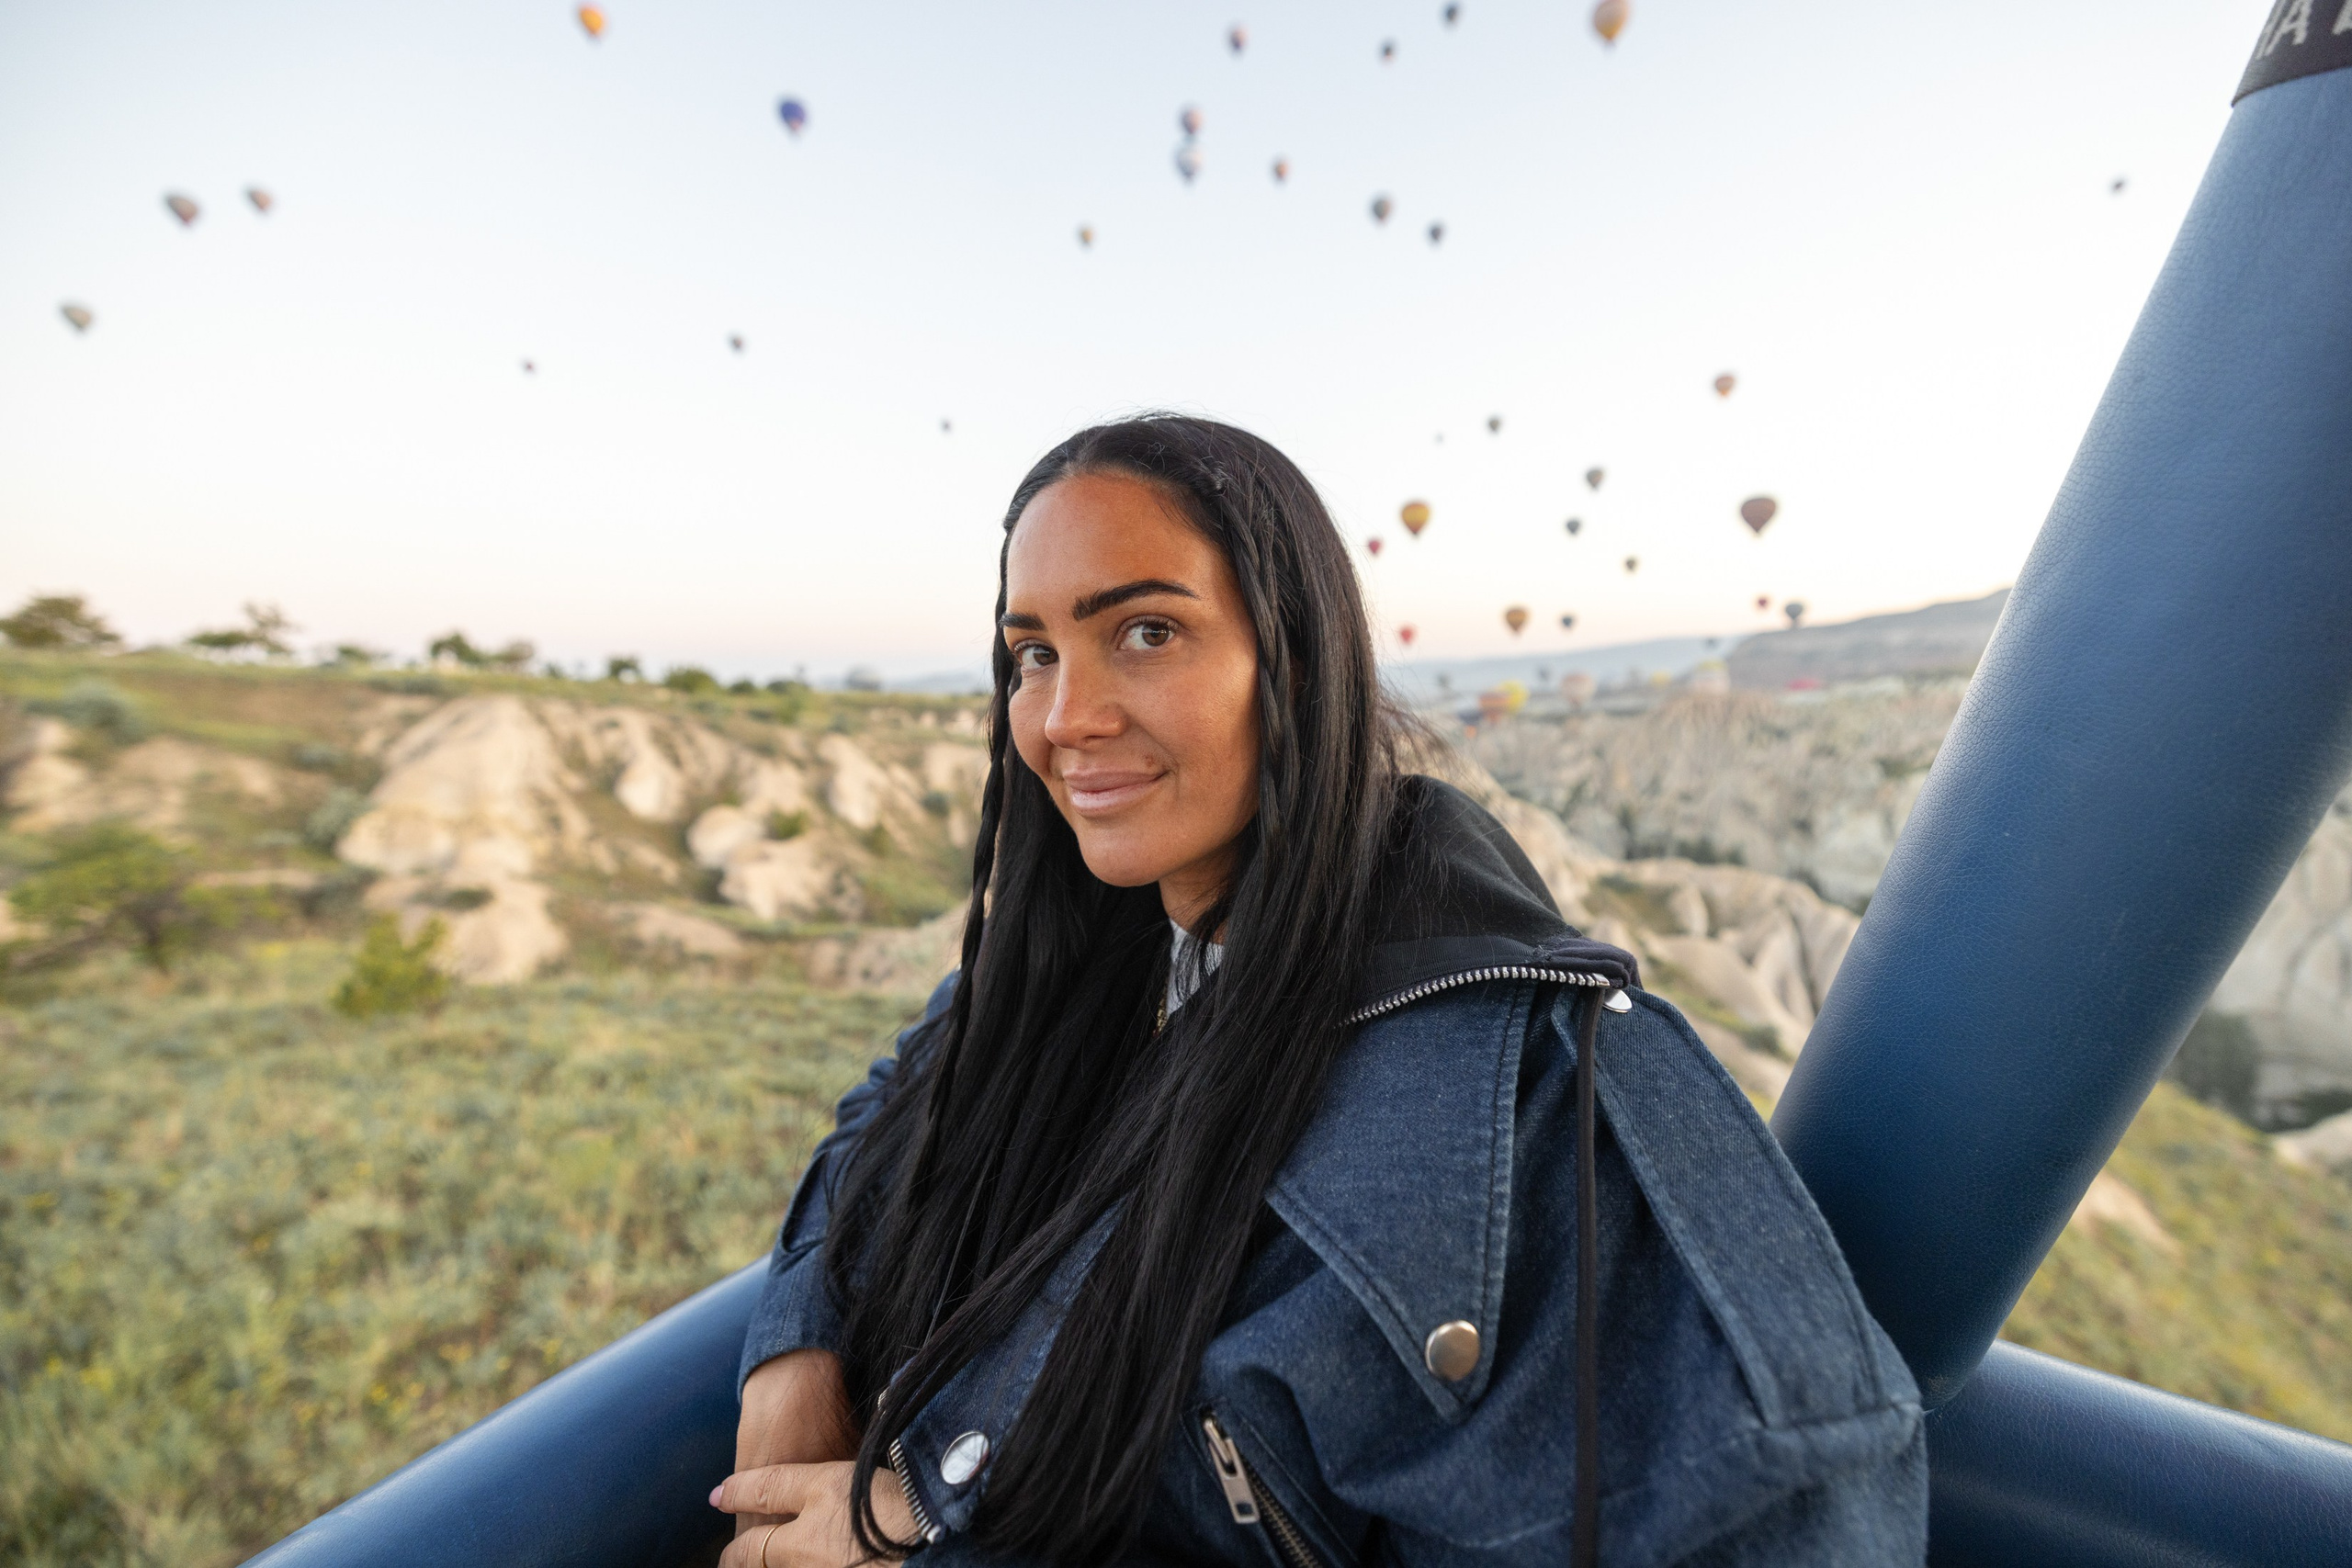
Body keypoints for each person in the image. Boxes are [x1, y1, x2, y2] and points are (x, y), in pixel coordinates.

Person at [712, 416, 1926, 1566]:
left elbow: (1779, 1497)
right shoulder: (1102, 959)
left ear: (1293, 656)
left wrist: (927, 1538)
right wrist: (796, 1361)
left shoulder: (1539, 1105)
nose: (1065, 717)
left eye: (1144, 632)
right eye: (1033, 654)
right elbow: (895, 1103)